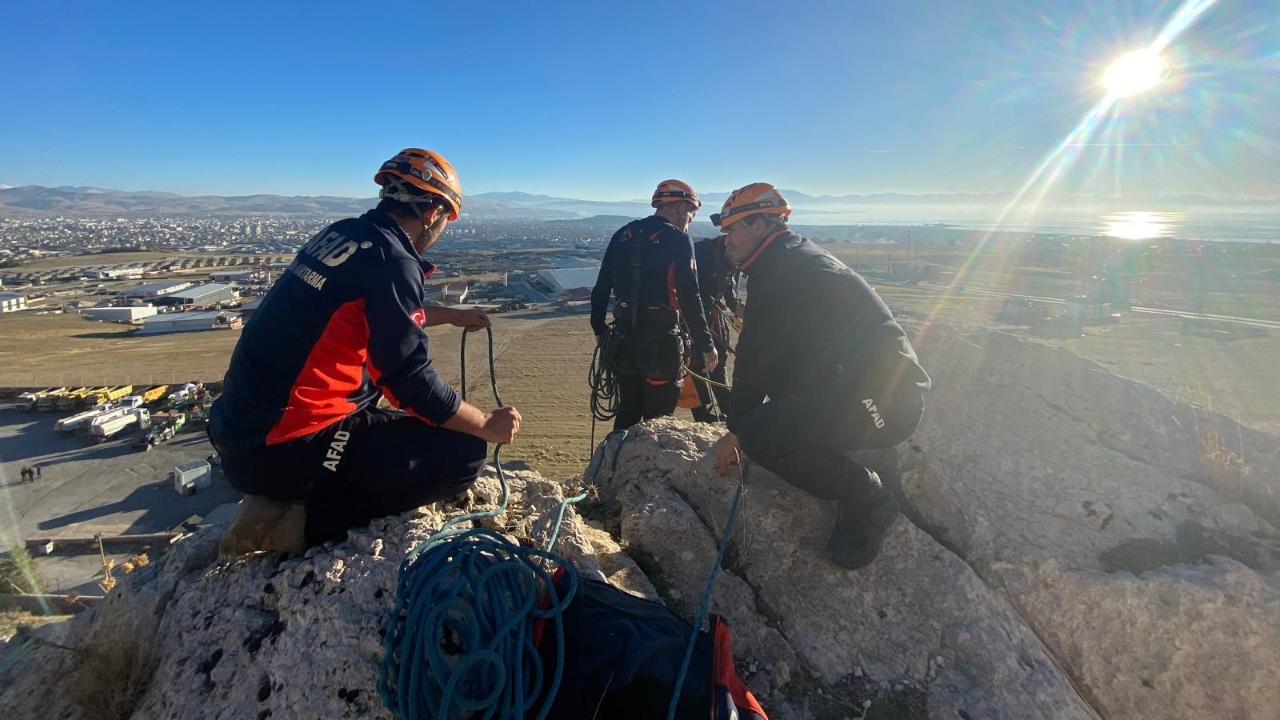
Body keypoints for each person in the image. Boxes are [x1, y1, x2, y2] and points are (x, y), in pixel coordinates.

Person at [210, 148, 522, 554]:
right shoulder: (394, 260)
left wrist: (448, 315)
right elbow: (409, 381)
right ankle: (294, 525)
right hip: (283, 448)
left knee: (381, 402)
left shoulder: (345, 235)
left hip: (242, 432)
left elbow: (370, 313)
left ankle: (298, 489)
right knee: (463, 452)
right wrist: (485, 423)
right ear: (433, 214)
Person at [708, 183, 930, 570]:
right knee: (771, 417)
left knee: (760, 433)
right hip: (866, 388)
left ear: (760, 226)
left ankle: (868, 497)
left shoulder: (782, 271)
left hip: (886, 403)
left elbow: (754, 359)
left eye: (733, 229)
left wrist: (738, 431)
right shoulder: (789, 259)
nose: (727, 239)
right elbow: (773, 356)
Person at [590, 180, 718, 431]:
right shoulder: (678, 239)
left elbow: (601, 287)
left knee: (627, 412)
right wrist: (706, 344)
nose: (689, 221)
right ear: (682, 208)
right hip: (661, 344)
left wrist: (599, 329)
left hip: (622, 341)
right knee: (658, 421)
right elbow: (690, 296)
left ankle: (617, 455)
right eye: (690, 215)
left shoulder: (623, 234)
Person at [689, 234, 739, 422]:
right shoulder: (702, 252)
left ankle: (727, 408)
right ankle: (704, 415)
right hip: (692, 317)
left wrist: (736, 307)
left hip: (713, 317)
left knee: (719, 361)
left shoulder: (732, 256)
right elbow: (688, 288)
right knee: (696, 363)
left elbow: (728, 285)